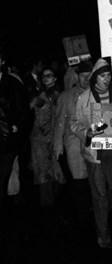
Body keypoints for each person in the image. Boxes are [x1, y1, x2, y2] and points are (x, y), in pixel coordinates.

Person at [71, 58, 112, 248]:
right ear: (95, 78)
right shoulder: (84, 98)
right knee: (100, 195)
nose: (106, 79)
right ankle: (103, 235)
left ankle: (100, 211)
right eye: (103, 76)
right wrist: (86, 132)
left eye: (108, 76)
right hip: (94, 152)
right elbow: (74, 124)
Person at [53, 60, 93, 225]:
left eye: (89, 76)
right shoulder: (66, 96)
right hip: (73, 144)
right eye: (82, 76)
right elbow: (60, 123)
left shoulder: (99, 94)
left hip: (94, 143)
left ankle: (93, 211)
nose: (85, 79)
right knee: (78, 181)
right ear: (77, 76)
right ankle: (82, 217)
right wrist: (57, 146)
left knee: (95, 181)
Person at [30, 66, 65, 207]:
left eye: (49, 75)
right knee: (45, 176)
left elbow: (58, 117)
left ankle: (54, 207)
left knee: (55, 175)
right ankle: (49, 208)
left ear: (55, 78)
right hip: (40, 139)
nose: (46, 78)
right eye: (44, 76)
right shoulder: (41, 93)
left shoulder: (57, 95)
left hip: (52, 139)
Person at [0, 48, 29, 214]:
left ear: (2, 62)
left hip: (6, 142)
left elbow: (22, 111)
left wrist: (16, 126)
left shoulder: (12, 83)